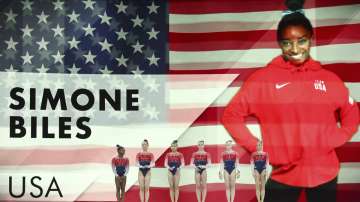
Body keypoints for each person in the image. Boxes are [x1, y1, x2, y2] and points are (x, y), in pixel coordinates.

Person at [221, 0, 359, 201]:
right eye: (287, 42)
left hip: (325, 173)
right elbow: (231, 116)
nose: (295, 49)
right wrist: (260, 149)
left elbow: (351, 111)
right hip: (284, 175)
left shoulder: (329, 79)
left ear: (310, 39)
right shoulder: (263, 79)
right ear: (280, 44)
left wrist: (338, 137)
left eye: (301, 41)